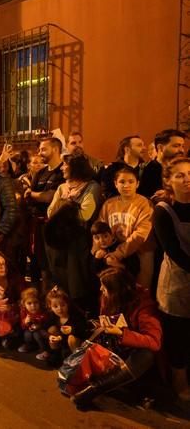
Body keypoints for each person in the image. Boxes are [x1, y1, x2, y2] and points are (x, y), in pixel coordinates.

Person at [71, 268, 162, 409]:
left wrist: (121, 333)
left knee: (146, 355)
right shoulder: (108, 297)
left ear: (117, 290)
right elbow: (105, 317)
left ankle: (93, 390)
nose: (101, 289)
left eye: (104, 286)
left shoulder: (144, 305)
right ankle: (85, 380)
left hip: (132, 346)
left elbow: (154, 341)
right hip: (115, 342)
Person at [153, 157, 190, 401]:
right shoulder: (163, 211)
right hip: (177, 283)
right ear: (168, 180)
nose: (187, 180)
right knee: (179, 335)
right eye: (180, 175)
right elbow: (174, 250)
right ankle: (179, 380)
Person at [46, 154, 102, 312]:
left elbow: (85, 215)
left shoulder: (92, 188)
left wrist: (65, 204)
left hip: (78, 241)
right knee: (61, 277)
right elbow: (51, 212)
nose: (62, 168)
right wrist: (65, 204)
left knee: (77, 279)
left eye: (65, 165)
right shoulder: (62, 187)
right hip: (59, 241)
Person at [95, 166, 154, 287]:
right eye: (122, 182)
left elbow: (141, 233)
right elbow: (98, 228)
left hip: (141, 251)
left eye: (131, 182)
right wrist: (98, 249)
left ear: (137, 184)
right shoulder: (109, 204)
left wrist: (119, 253)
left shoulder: (145, 203)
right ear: (115, 184)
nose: (126, 185)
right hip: (113, 252)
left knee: (140, 288)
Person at [24, 138, 65, 290]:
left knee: (52, 266)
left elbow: (51, 197)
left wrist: (33, 194)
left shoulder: (63, 171)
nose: (40, 153)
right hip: (36, 226)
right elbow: (29, 197)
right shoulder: (40, 172)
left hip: (53, 227)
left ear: (55, 149)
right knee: (38, 265)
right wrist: (36, 195)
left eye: (43, 149)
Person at [43, 287, 87, 366]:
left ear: (67, 304)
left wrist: (72, 329)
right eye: (55, 306)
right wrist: (50, 337)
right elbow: (44, 328)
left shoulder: (75, 315)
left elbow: (83, 328)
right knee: (51, 330)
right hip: (61, 340)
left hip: (75, 342)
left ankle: (76, 359)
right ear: (50, 307)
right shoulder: (52, 316)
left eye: (63, 305)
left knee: (71, 338)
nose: (60, 309)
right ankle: (56, 354)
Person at [139, 129, 187, 201]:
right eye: (176, 146)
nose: (182, 150)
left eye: (182, 146)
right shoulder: (147, 170)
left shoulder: (186, 167)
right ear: (160, 148)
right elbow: (142, 199)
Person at [18, 287, 48, 355]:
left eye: (35, 302)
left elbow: (46, 321)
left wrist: (38, 324)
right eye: (29, 303)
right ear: (24, 304)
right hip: (29, 330)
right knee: (27, 334)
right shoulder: (24, 311)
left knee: (37, 334)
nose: (33, 306)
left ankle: (44, 350)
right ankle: (30, 346)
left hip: (41, 330)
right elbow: (22, 326)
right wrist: (25, 322)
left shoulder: (41, 311)